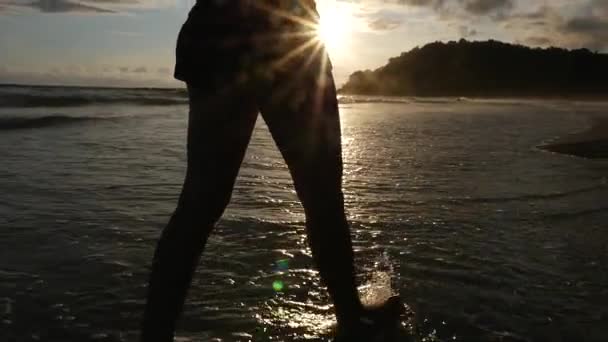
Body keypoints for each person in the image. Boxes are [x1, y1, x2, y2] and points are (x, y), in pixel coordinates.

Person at [141, 1, 402, 341]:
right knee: (319, 190)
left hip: (219, 32)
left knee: (202, 201)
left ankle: (154, 333)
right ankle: (351, 317)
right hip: (281, 36)